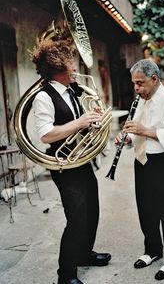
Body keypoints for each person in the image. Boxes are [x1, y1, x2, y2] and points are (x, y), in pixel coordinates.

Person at [31, 38, 111, 284]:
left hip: (82, 161)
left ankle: (84, 254)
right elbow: (46, 134)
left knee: (92, 211)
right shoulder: (44, 97)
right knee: (76, 217)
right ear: (60, 67)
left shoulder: (72, 92)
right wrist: (79, 122)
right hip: (64, 166)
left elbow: (79, 125)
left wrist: (93, 121)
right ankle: (65, 275)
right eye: (71, 62)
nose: (75, 67)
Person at [115, 59, 164, 281]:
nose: (136, 88)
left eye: (140, 83)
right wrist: (126, 138)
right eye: (134, 84)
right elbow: (135, 131)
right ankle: (153, 250)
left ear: (154, 79)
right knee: (145, 209)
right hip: (143, 161)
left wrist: (145, 131)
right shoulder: (140, 99)